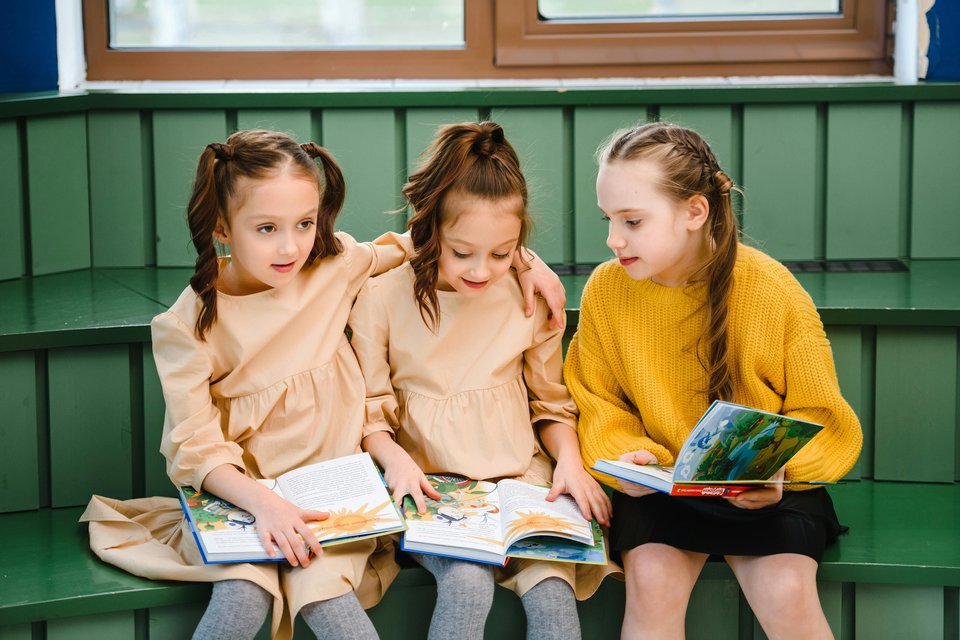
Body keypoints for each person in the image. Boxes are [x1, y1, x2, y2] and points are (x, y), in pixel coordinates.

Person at [80, 129, 566, 640]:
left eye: (305, 223)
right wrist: (263, 504)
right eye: (266, 228)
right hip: (246, 499)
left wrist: (530, 263)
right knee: (243, 596)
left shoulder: (335, 266)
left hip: (335, 497)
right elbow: (195, 446)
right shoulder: (188, 326)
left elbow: (443, 241)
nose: (290, 246)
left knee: (340, 610)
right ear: (222, 226)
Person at [563, 122, 863, 640]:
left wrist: (776, 473)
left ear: (694, 212)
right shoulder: (606, 292)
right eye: (608, 219)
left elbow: (821, 417)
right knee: (652, 584)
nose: (613, 240)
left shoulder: (771, 290)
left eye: (632, 220)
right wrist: (629, 456)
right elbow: (598, 402)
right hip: (661, 490)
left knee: (788, 592)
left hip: (770, 489)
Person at [348, 121, 615, 640]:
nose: (481, 270)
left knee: (554, 596)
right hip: (429, 486)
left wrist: (570, 462)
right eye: (462, 251)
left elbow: (550, 405)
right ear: (429, 230)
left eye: (501, 252)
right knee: (468, 584)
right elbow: (370, 413)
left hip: (521, 481)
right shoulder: (382, 299)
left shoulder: (528, 294)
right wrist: (397, 462)